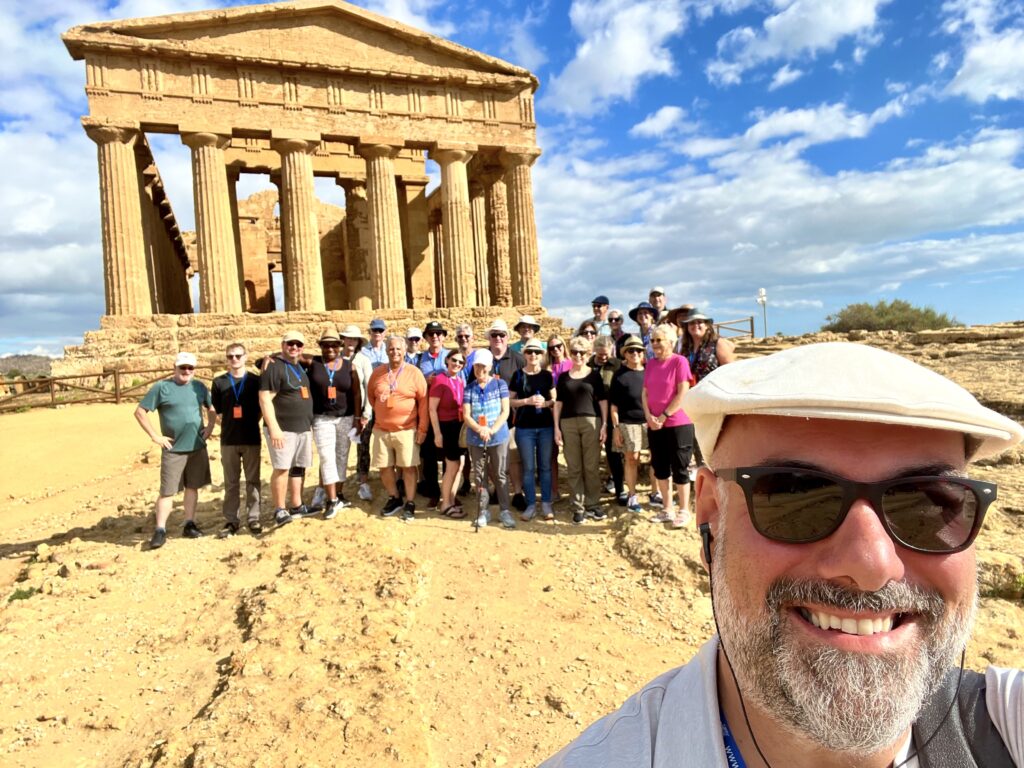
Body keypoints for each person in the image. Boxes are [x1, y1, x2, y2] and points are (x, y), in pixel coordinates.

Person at [541, 341, 1024, 768]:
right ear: (710, 515)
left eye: (926, 503)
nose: (871, 565)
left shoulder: (1008, 728)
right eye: (795, 495)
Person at [134, 352, 216, 549]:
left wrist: (210, 427)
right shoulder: (162, 388)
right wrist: (155, 436)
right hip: (174, 449)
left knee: (192, 487)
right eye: (183, 368)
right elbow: (140, 412)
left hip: (196, 447)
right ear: (175, 368)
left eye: (190, 368)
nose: (186, 371)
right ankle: (160, 529)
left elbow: (211, 408)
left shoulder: (199, 387)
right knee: (167, 491)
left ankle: (189, 523)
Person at [366, 334, 428, 521]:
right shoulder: (377, 373)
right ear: (386, 351)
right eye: (391, 349)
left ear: (404, 351)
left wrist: (422, 429)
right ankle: (395, 497)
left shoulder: (414, 372)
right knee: (384, 467)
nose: (395, 352)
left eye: (398, 349)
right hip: (381, 429)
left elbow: (423, 402)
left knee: (408, 467)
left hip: (406, 429)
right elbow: (371, 396)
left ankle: (409, 501)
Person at [259, 330, 316, 526]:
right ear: (283, 345)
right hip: (283, 429)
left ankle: (297, 505)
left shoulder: (298, 366)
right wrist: (274, 428)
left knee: (298, 468)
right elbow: (265, 398)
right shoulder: (274, 367)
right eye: (290, 344)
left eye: (298, 345)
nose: (294, 347)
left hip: (302, 427)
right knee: (282, 468)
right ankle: (280, 509)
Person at [643, 324, 695, 529]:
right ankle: (667, 508)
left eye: (659, 340)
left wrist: (664, 415)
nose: (654, 344)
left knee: (680, 467)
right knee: (660, 467)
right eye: (653, 340)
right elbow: (645, 393)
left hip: (678, 424)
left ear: (671, 342)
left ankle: (684, 510)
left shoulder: (679, 362)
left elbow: (683, 392)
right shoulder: (651, 364)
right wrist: (648, 416)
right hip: (655, 424)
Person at [554, 336, 608, 524]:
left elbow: (602, 401)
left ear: (588, 354)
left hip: (591, 422)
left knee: (591, 466)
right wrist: (556, 428)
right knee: (574, 466)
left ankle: (593, 504)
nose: (578, 356)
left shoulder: (594, 376)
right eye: (575, 352)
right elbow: (558, 404)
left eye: (582, 352)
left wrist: (604, 424)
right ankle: (578, 505)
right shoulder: (563, 377)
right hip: (568, 423)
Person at [308, 329, 361, 519]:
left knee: (341, 456)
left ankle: (338, 494)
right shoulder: (313, 362)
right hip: (322, 418)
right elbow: (289, 356)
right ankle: (331, 501)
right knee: (326, 457)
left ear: (340, 346)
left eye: (334, 345)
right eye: (326, 345)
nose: (330, 348)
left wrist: (357, 418)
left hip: (345, 417)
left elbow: (355, 393)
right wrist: (268, 358)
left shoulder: (349, 366)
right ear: (320, 346)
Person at [211, 343, 262, 537]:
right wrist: (224, 425)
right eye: (230, 356)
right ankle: (231, 520)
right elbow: (215, 410)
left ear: (246, 356)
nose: (234, 359)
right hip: (228, 439)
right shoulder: (219, 382)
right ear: (226, 358)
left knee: (253, 481)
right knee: (231, 482)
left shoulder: (255, 381)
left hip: (251, 437)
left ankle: (253, 517)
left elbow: (261, 408)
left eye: (238, 355)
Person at [463, 349, 514, 529]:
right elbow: (467, 415)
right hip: (476, 439)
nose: (480, 369)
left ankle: (505, 510)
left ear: (490, 366)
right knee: (480, 475)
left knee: (500, 474)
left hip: (498, 436)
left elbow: (505, 411)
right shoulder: (469, 388)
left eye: (484, 366)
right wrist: (480, 429)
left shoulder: (500, 385)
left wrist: (491, 430)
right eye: (477, 366)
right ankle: (483, 511)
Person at [509, 338, 556, 521]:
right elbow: (510, 401)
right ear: (525, 354)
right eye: (529, 352)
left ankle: (546, 503)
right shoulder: (518, 375)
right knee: (528, 468)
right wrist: (526, 401)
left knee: (544, 467)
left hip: (545, 426)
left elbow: (555, 400)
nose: (533, 355)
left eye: (537, 352)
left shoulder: (546, 376)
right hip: (524, 427)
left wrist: (545, 403)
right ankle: (530, 504)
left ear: (542, 354)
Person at [487, 318, 527, 511]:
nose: (498, 338)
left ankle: (517, 492)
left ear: (507, 337)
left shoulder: (517, 358)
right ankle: (496, 489)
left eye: (501, 335)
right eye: (494, 335)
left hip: (511, 417)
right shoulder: (483, 357)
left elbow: (525, 384)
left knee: (513, 456)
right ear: (489, 337)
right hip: (487, 418)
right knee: (491, 457)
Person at [413, 320, 450, 507]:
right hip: (427, 412)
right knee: (428, 455)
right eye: (431, 334)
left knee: (447, 454)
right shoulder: (419, 360)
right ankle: (433, 491)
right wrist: (426, 380)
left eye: (438, 333)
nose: (434, 336)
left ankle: (447, 492)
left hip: (447, 412)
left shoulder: (451, 356)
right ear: (426, 338)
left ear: (443, 336)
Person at [609, 336, 647, 514]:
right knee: (632, 458)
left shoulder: (649, 372)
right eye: (631, 351)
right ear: (625, 354)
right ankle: (632, 495)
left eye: (638, 350)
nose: (635, 354)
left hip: (649, 421)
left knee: (657, 459)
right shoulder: (619, 375)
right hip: (628, 422)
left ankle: (656, 493)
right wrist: (616, 428)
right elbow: (614, 405)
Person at [429, 350, 467, 519]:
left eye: (461, 362)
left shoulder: (459, 380)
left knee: (459, 465)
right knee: (451, 466)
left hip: (458, 426)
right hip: (446, 427)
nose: (457, 364)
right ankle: (445, 504)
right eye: (454, 360)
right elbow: (432, 409)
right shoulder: (439, 380)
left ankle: (451, 499)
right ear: (447, 360)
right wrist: (437, 433)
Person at [591, 335, 625, 505]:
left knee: (614, 455)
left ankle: (620, 489)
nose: (603, 357)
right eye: (600, 354)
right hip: (591, 414)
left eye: (606, 354)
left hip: (612, 415)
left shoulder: (617, 365)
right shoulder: (588, 365)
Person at [357, 318, 388, 500]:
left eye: (380, 330)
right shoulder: (362, 352)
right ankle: (363, 479)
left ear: (384, 333)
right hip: (368, 402)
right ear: (370, 332)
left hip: (386, 404)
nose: (377, 333)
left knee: (386, 440)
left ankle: (390, 476)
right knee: (364, 441)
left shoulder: (390, 350)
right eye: (374, 330)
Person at [678, 308, 736, 383]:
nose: (696, 325)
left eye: (699, 322)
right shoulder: (685, 347)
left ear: (707, 326)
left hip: (713, 391)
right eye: (692, 323)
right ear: (687, 327)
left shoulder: (717, 343)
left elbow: (731, 370)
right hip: (690, 392)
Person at [546, 333, 572, 499]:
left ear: (564, 346)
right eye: (552, 347)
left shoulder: (572, 364)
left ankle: (575, 491)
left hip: (570, 412)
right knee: (552, 455)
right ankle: (554, 491)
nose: (556, 349)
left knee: (572, 454)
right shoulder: (547, 369)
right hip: (551, 413)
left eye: (558, 346)